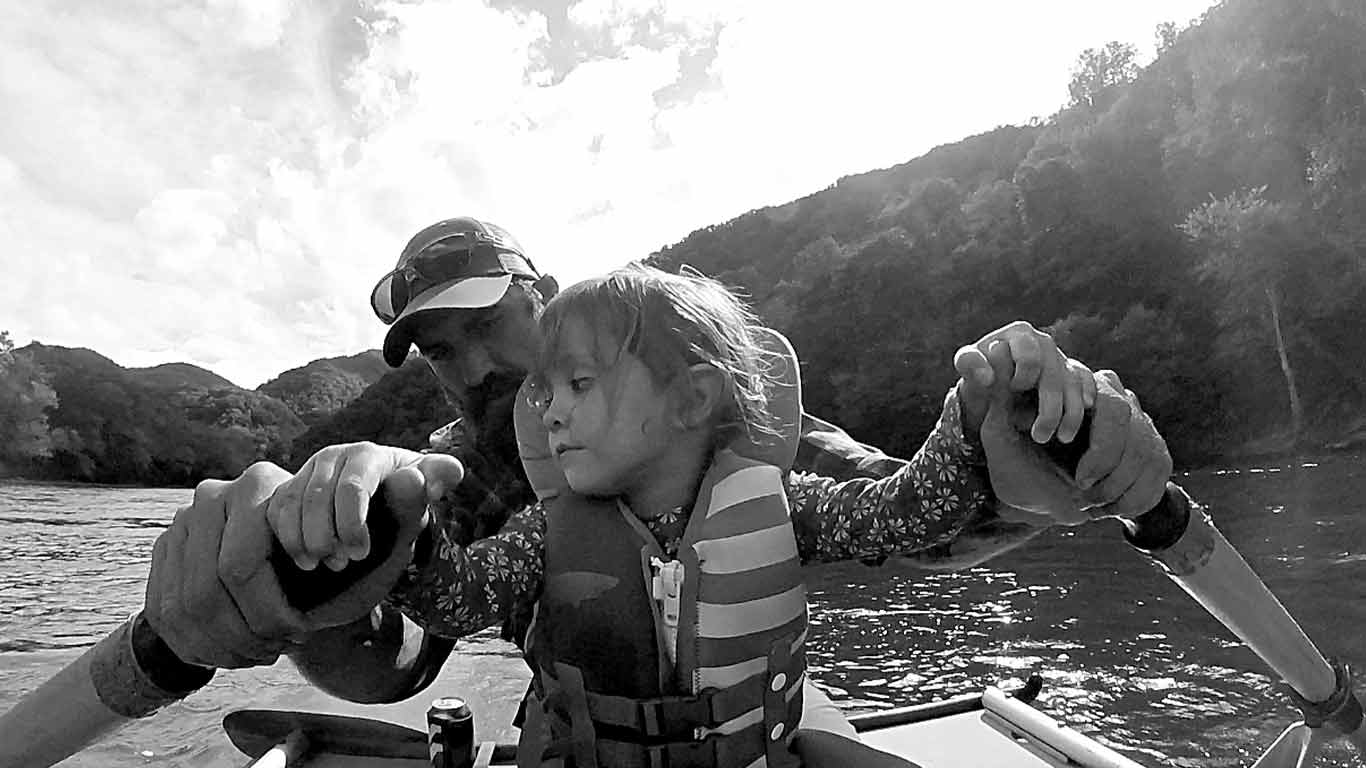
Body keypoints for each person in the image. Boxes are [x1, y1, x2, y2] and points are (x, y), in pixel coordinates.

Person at [0, 218, 1171, 768]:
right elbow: (403, 652)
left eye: (483, 325)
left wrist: (1007, 455)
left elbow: (913, 520)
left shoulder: (704, 407)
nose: (475, 367)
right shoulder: (450, 482)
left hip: (753, 731)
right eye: (438, 349)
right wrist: (326, 576)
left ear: (542, 296)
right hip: (575, 737)